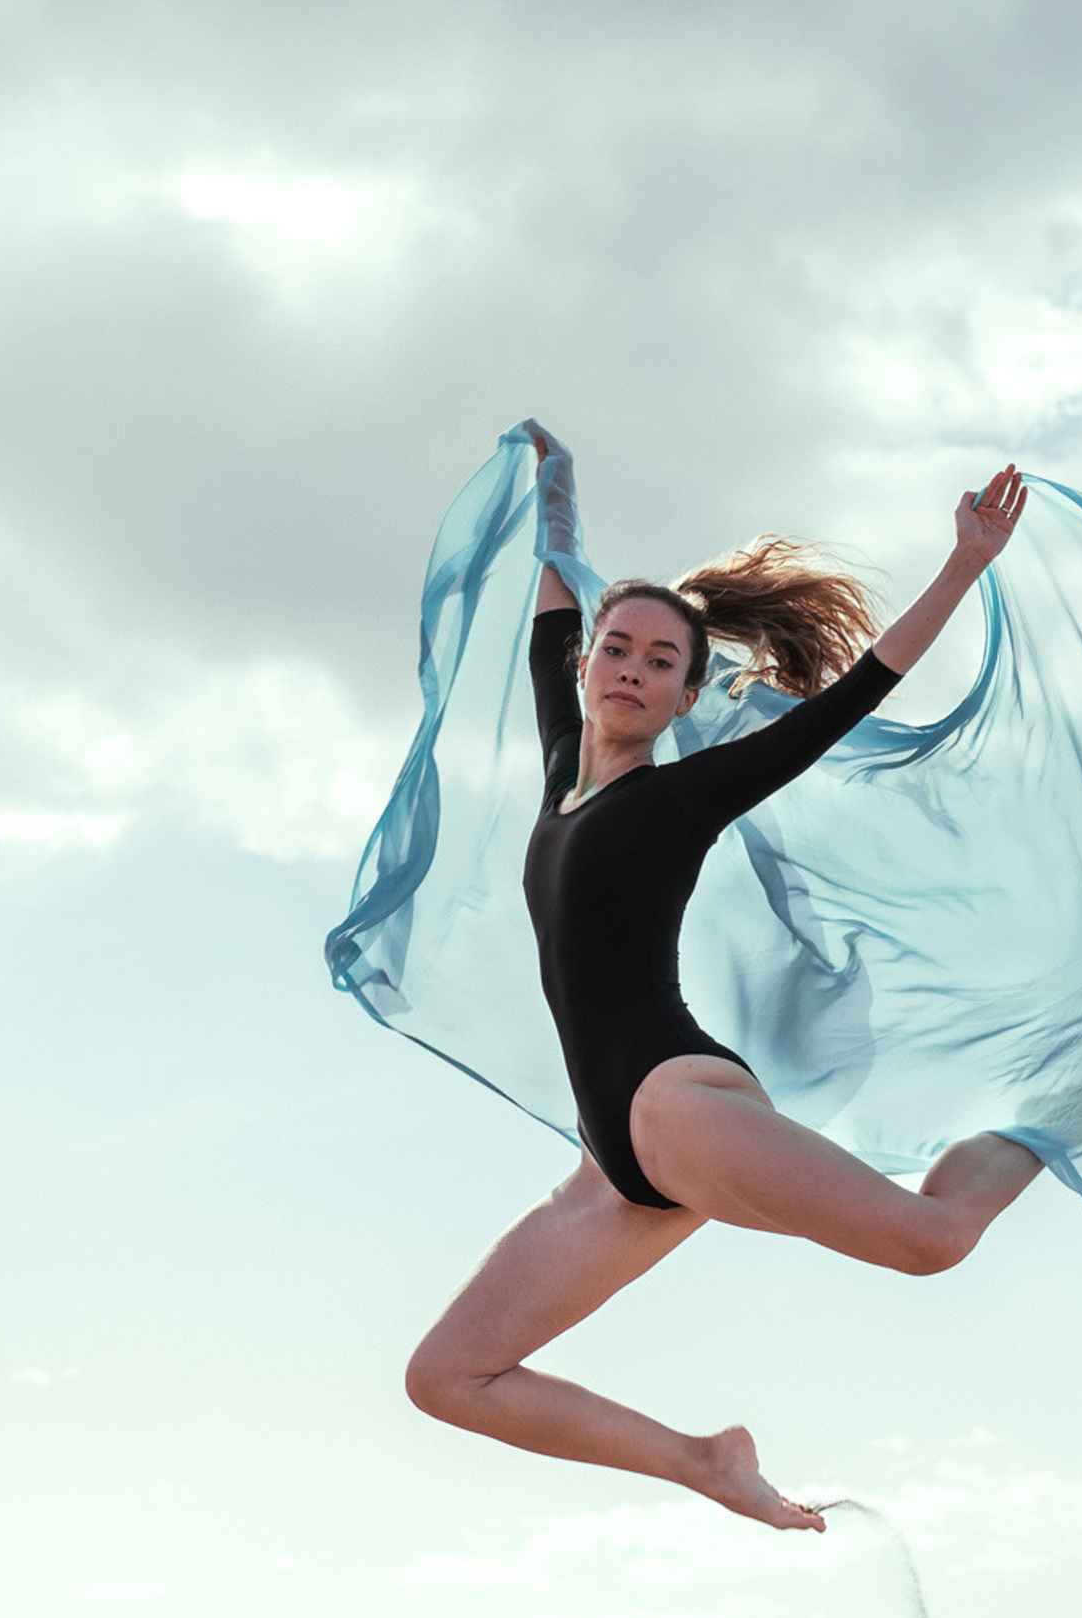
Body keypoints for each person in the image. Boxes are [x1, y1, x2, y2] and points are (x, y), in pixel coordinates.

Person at [401, 427, 1041, 1533]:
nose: (634, 670)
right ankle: (704, 1460)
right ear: (590, 663)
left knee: (932, 1241)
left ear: (688, 694)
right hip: (615, 1163)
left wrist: (962, 566)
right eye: (620, 649)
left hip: (677, 1103)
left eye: (661, 663)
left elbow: (855, 695)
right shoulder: (564, 763)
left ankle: (1059, 1114)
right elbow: (551, 608)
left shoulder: (679, 799)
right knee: (448, 1377)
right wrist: (555, 496)